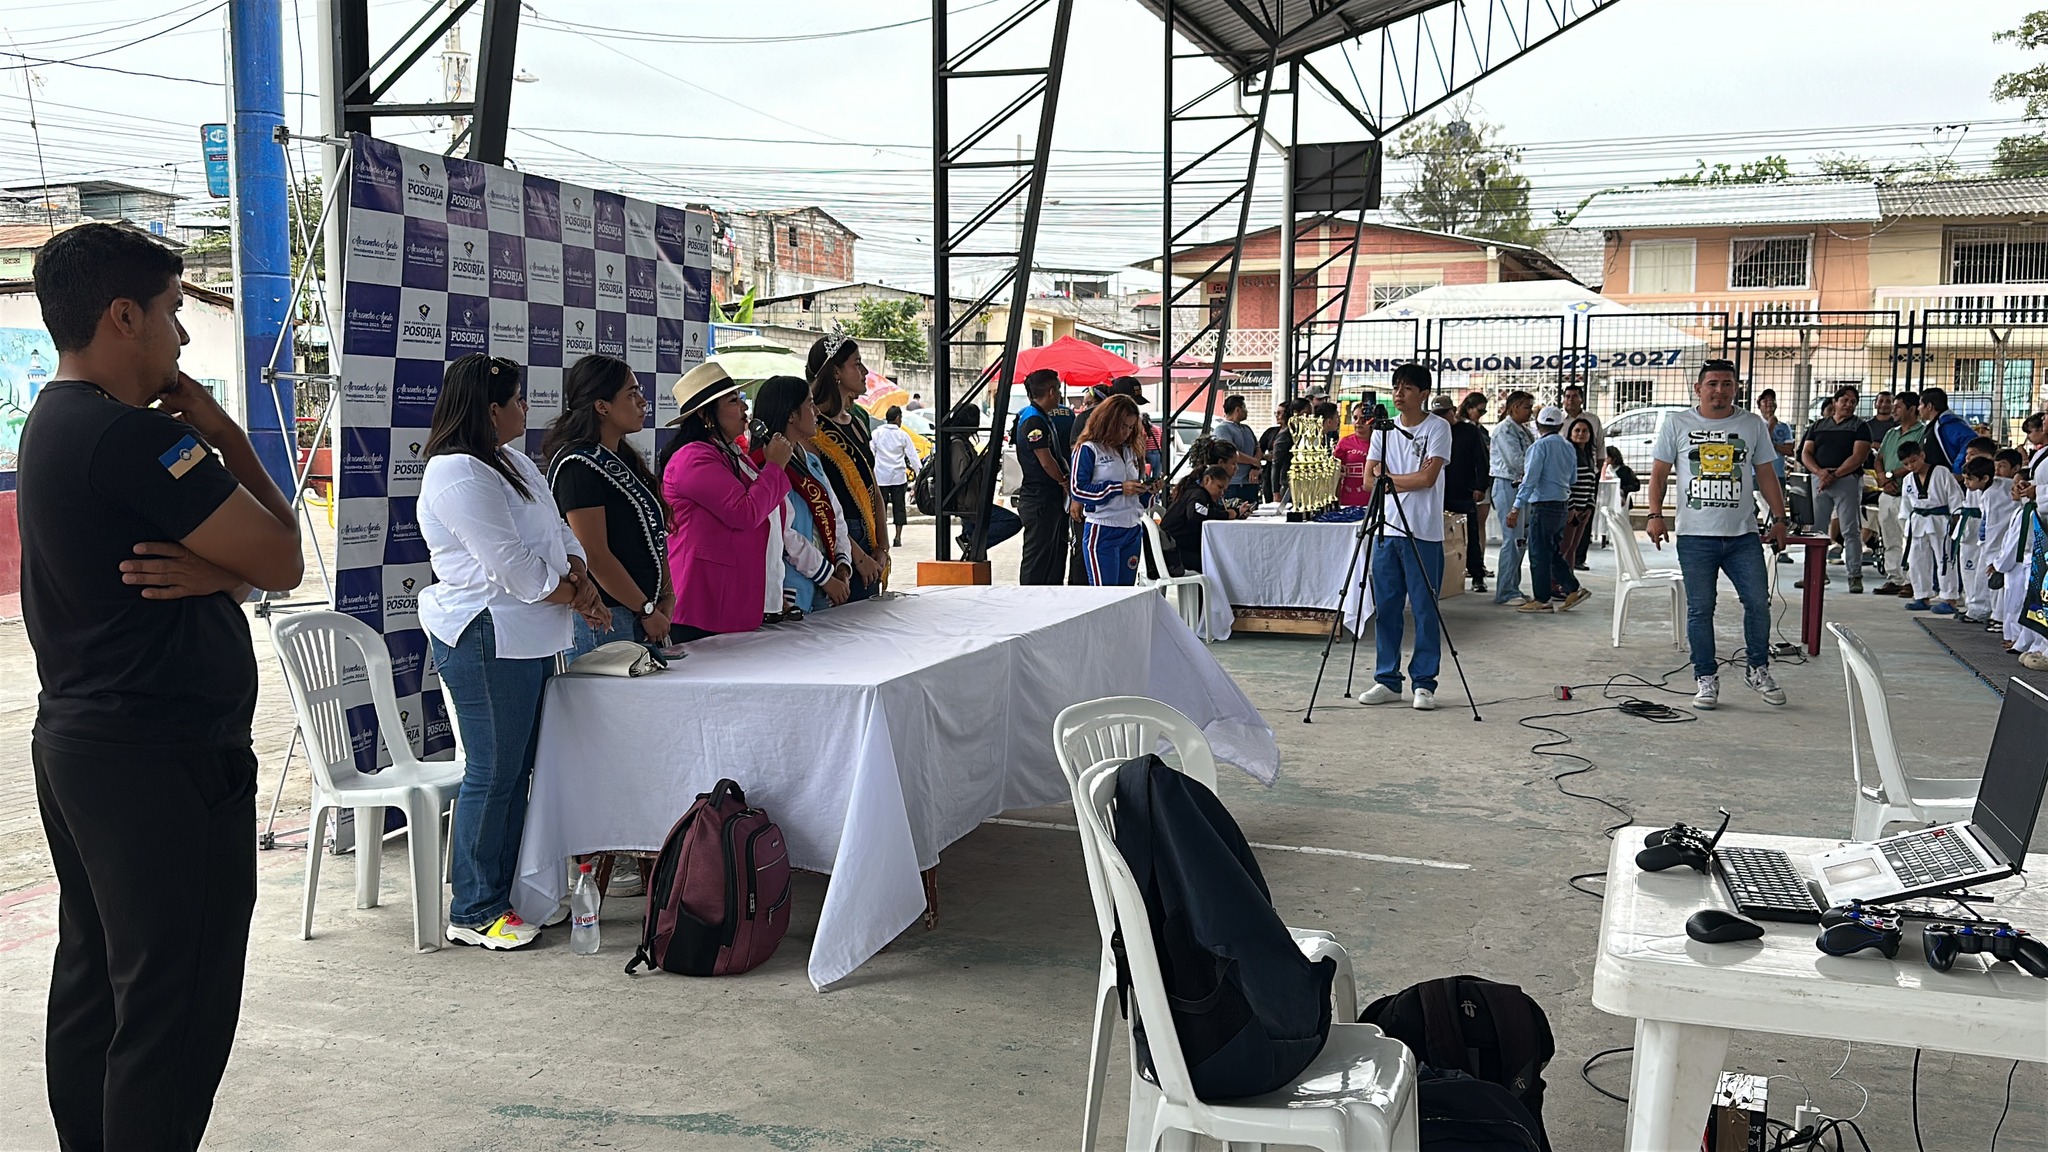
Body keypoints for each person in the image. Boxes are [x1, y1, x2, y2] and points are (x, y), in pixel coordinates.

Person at [19, 222, 302, 1147]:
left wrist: (225, 576)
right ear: (123, 316)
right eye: (174, 311)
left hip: (85, 744)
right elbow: (283, 555)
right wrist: (223, 433)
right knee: (172, 1006)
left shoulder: (54, 421)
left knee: (99, 981)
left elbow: (244, 568)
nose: (182, 335)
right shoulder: (132, 438)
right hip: (161, 759)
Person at [418, 355, 605, 951]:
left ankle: (510, 895)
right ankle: (474, 909)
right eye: (518, 400)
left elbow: (559, 533)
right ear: (490, 409)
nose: (527, 408)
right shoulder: (456, 472)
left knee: (519, 771)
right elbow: (514, 568)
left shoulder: (514, 461)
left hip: (531, 635)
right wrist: (578, 596)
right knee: (493, 772)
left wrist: (579, 575)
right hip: (486, 634)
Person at [1646, 360, 1790, 711]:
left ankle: (1758, 668)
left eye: (1727, 384)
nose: (1719, 390)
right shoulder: (1677, 423)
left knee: (1757, 602)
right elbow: (1659, 473)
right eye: (1712, 383)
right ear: (1698, 389)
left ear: (1736, 388)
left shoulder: (1752, 425)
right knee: (1701, 609)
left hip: (1742, 536)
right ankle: (1705, 677)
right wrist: (1655, 515)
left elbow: (1766, 474)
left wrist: (1780, 519)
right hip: (1696, 537)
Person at [544, 354, 672, 654]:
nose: (643, 402)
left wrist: (667, 594)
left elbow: (653, 536)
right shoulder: (578, 466)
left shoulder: (623, 459)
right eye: (631, 394)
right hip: (606, 617)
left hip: (641, 611)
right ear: (602, 406)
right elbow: (595, 555)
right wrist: (646, 609)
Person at [660, 361, 797, 636]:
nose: (745, 407)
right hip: (704, 600)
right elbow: (744, 513)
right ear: (706, 415)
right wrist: (774, 466)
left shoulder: (730, 452)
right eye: (733, 401)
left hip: (733, 597)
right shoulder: (693, 458)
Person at [1356, 364, 1454, 711]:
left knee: (1425, 608)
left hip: (1422, 531)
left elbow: (1428, 479)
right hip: (1386, 528)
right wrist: (1397, 478)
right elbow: (1368, 481)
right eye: (1396, 386)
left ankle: (1424, 683)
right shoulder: (1383, 430)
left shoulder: (1437, 428)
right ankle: (1387, 679)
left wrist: (1389, 478)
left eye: (1408, 388)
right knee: (1387, 608)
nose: (1399, 393)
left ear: (1424, 394)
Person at [751, 376, 853, 616]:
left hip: (828, 580)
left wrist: (842, 564)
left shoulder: (811, 461)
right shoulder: (763, 465)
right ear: (791, 415)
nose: (816, 411)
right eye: (809, 403)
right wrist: (826, 577)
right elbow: (784, 534)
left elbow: (835, 514)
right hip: (794, 587)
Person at [809, 335, 887, 599]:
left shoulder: (857, 422)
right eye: (857, 363)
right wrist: (858, 556)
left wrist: (882, 546)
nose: (865, 371)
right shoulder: (813, 428)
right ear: (836, 372)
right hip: (838, 541)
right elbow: (820, 501)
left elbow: (873, 486)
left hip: (870, 535)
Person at [1508, 407, 1586, 614]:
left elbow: (1530, 480)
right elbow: (1573, 478)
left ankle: (1542, 599)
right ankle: (1573, 588)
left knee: (1539, 554)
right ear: (1560, 425)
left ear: (1538, 424)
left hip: (1543, 505)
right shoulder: (1568, 447)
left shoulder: (1538, 447)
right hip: (1561, 504)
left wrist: (1516, 507)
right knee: (1551, 551)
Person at [1070, 394, 1153, 585]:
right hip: (1103, 529)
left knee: (1126, 593)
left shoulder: (1131, 449)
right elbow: (1078, 489)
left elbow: (1139, 499)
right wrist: (1118, 488)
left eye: (1131, 427)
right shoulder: (1089, 448)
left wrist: (1148, 490)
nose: (1126, 432)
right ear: (1109, 422)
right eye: (1123, 426)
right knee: (1106, 594)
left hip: (1132, 528)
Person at [1799, 385, 1872, 593]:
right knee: (1816, 531)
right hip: (1820, 479)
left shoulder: (1860, 427)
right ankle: (1815, 574)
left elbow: (1858, 456)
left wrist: (1835, 475)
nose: (1848, 405)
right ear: (1835, 402)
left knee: (1850, 529)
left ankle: (1854, 575)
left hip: (1847, 480)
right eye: (1844, 400)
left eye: (1853, 402)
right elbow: (1806, 453)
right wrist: (1820, 473)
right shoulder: (1818, 425)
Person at [1012, 367, 1075, 585]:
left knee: (1052, 556)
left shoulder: (1041, 416)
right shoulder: (1033, 420)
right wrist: (1064, 481)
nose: (1059, 395)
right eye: (1058, 389)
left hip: (1049, 497)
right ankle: (1029, 598)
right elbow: (1046, 461)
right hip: (1039, 497)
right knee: (1037, 560)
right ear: (1051, 392)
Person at [935, 399, 1023, 556]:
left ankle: (971, 541)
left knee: (977, 556)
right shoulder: (957, 445)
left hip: (972, 500)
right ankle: (973, 542)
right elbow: (962, 476)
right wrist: (981, 465)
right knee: (1012, 521)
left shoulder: (963, 443)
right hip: (968, 503)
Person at [1898, 439, 1963, 615]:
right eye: (1906, 464)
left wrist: (1955, 519)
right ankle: (1922, 596)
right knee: (1917, 560)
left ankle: (1950, 599)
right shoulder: (1907, 479)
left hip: (1940, 521)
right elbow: (1906, 505)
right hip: (1917, 522)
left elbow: (1955, 497)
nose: (1911, 466)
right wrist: (1906, 526)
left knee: (1945, 559)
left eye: (1913, 461)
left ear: (1922, 455)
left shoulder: (1941, 472)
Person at [1874, 391, 1926, 596]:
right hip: (1888, 493)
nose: (1893, 410)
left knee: (1910, 538)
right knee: (1890, 537)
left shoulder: (1922, 432)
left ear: (1912, 409)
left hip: (1909, 493)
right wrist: (1884, 479)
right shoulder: (1891, 433)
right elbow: (1879, 458)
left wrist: (1890, 476)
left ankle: (1912, 580)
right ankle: (1894, 577)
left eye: (1898, 407)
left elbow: (1915, 462)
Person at [1489, 389, 1537, 606]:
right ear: (1514, 407)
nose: (1530, 412)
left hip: (1521, 487)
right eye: (1526, 407)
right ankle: (1505, 591)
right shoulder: (1504, 430)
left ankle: (1513, 586)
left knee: (1520, 540)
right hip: (1508, 485)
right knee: (1512, 538)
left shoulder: (1523, 430)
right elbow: (1516, 461)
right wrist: (1536, 471)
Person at [1441, 393, 1492, 592]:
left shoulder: (1469, 431)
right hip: (1437, 492)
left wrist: (1480, 486)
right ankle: (1443, 576)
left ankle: (1477, 575)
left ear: (1453, 411)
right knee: (1438, 536)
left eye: (1444, 413)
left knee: (1469, 535)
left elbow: (1482, 460)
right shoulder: (1432, 430)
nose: (1441, 418)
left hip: (1464, 491)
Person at [1958, 456, 2010, 624]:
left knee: (1992, 580)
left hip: (1999, 543)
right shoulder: (1995, 487)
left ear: (1985, 478)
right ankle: (1981, 610)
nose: (1966, 483)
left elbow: (1994, 526)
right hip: (1994, 541)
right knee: (1983, 578)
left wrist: (1991, 555)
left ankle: (1995, 616)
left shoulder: (1993, 494)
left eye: (1970, 479)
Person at [1161, 464, 1239, 574]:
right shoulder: (1198, 493)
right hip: (1173, 551)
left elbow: (1211, 510)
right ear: (1207, 480)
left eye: (1224, 490)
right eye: (1219, 487)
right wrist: (1225, 515)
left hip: (1175, 547)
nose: (1221, 493)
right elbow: (1196, 512)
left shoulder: (1197, 493)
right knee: (1217, 564)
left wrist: (1236, 512)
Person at [871, 404, 922, 548]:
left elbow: (870, 453)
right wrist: (920, 473)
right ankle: (897, 537)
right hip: (898, 477)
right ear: (898, 418)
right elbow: (913, 456)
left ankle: (881, 537)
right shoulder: (902, 435)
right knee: (899, 507)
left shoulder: (877, 433)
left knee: (880, 508)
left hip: (880, 477)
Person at [1564, 415, 1602, 571]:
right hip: (1571, 510)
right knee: (1564, 547)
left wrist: (1589, 506)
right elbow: (1565, 483)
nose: (1581, 434)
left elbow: (1592, 482)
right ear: (1570, 433)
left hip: (1584, 509)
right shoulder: (1568, 454)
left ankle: (1569, 578)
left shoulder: (1588, 456)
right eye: (1577, 430)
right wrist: (1572, 507)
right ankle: (1558, 580)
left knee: (1573, 547)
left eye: (1585, 431)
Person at [1918, 386, 1976, 474]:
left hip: (1948, 478)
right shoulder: (1936, 425)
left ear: (1929, 406)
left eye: (1920, 404)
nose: (1918, 408)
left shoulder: (1949, 425)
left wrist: (1957, 470)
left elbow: (1971, 442)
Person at [1215, 394, 1261, 502]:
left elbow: (1258, 448)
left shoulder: (1247, 428)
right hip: (1233, 484)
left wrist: (1255, 467)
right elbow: (1230, 453)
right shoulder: (1223, 429)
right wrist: (1254, 461)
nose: (1247, 411)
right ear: (1238, 410)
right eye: (1244, 407)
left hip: (1251, 482)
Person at [1333, 400, 1373, 507]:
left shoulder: (1378, 443)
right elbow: (1335, 472)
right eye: (1355, 418)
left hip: (1371, 502)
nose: (1358, 422)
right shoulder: (1344, 442)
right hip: (1347, 501)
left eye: (1363, 419)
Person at [1753, 387, 1796, 484]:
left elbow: (1789, 450)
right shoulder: (1754, 424)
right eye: (1765, 400)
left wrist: (1773, 445)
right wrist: (1771, 427)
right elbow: (1759, 448)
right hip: (1758, 474)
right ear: (1759, 406)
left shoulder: (1784, 427)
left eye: (1772, 400)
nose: (1769, 402)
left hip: (1778, 473)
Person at [1257, 402, 1289, 502]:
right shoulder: (1271, 431)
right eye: (1276, 413)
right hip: (1269, 474)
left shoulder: (1291, 433)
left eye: (1280, 413)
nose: (1277, 416)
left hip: (1285, 473)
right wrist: (1265, 456)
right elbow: (1258, 449)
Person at [1561, 382, 1603, 456]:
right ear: (1563, 400)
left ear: (1582, 400)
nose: (1571, 399)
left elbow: (1600, 447)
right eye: (1567, 396)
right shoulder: (1558, 420)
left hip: (1588, 460)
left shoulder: (1593, 420)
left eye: (1575, 396)